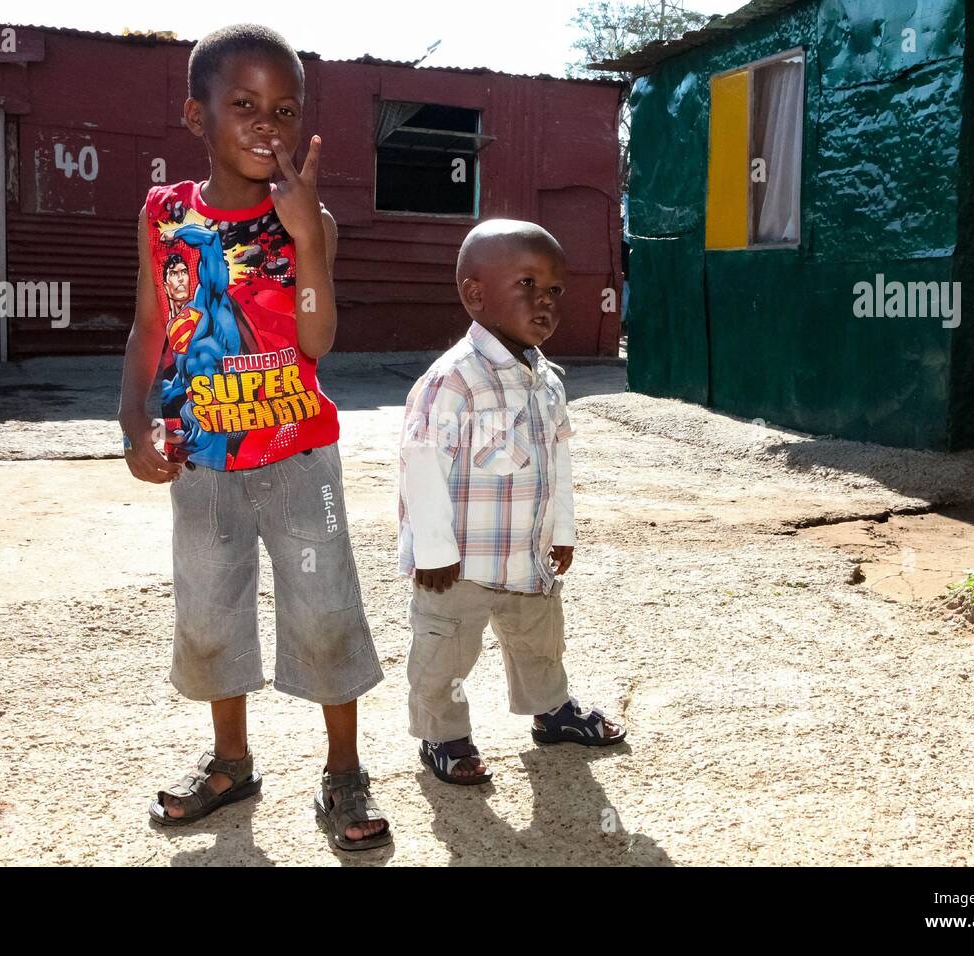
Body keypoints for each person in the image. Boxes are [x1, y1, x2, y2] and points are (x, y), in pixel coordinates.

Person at [118, 23, 390, 851]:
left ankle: (343, 772)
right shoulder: (164, 214)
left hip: (298, 458)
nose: (266, 122)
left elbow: (315, 341)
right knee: (209, 614)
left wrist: (306, 235)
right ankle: (231, 762)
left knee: (326, 612)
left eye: (284, 107)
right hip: (201, 461)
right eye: (243, 104)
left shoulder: (313, 221)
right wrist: (132, 424)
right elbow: (148, 327)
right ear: (196, 116)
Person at [399, 219, 627, 786]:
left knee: (540, 640)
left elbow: (558, 463)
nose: (545, 302)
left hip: (528, 556)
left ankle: (551, 712)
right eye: (527, 284)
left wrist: (563, 531)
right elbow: (421, 463)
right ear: (476, 294)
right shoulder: (454, 380)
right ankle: (442, 734)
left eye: (555, 291)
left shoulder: (546, 379)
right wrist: (432, 551)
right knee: (445, 654)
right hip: (460, 566)